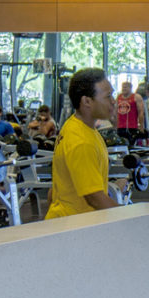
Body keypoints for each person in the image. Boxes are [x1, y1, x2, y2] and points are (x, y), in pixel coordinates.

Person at [46, 69, 115, 219]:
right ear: (87, 101)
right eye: (108, 96)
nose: (113, 101)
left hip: (72, 223)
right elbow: (95, 199)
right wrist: (130, 217)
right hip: (73, 229)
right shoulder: (81, 141)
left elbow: (52, 193)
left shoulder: (77, 126)